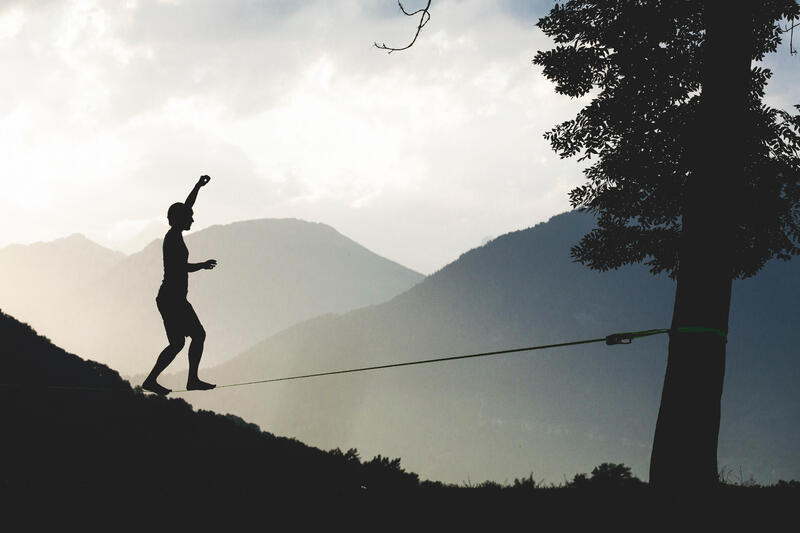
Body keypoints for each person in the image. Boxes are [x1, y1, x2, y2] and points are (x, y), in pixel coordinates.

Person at [142, 175, 218, 395]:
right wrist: (202, 265)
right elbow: (180, 268)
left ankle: (152, 381)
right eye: (190, 218)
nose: (193, 221)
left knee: (177, 344)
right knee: (198, 335)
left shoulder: (174, 233)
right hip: (173, 299)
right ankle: (191, 379)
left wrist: (197, 187)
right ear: (180, 219)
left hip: (169, 299)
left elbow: (187, 207)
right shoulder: (173, 239)